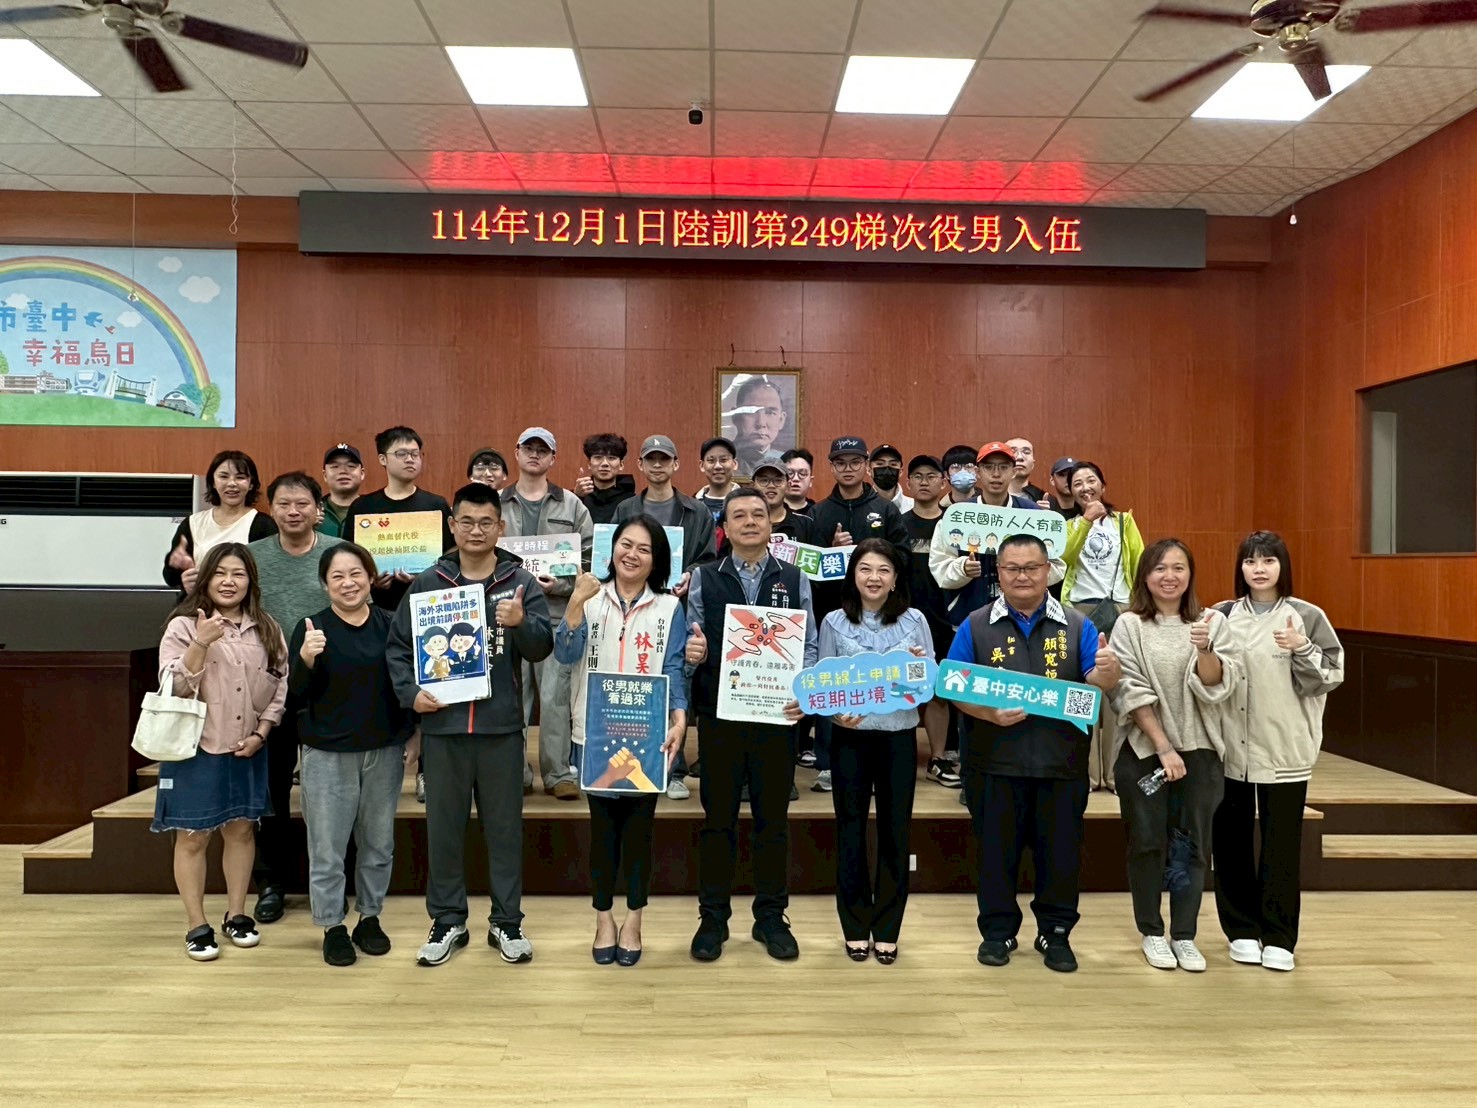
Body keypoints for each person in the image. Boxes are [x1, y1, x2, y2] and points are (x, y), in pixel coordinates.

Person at [386, 482, 553, 969]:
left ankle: (507, 922)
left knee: (504, 831)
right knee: (444, 831)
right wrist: (411, 695)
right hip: (444, 729)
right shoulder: (429, 582)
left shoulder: (519, 581)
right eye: (466, 522)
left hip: (501, 730)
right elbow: (399, 649)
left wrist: (521, 622)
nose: (476, 531)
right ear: (452, 525)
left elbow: (541, 648)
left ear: (501, 527)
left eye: (486, 523)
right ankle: (447, 920)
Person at [940, 533, 1122, 974]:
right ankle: (997, 933)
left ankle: (1055, 933)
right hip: (993, 763)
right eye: (1012, 568)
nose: (1022, 576)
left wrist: (1109, 674)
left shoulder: (1077, 625)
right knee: (995, 854)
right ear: (998, 573)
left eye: (1031, 568)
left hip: (1062, 764)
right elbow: (953, 687)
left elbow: (1095, 686)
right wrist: (989, 713)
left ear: (1049, 571)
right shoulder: (975, 624)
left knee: (1060, 856)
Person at [687, 488, 818, 963]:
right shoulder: (705, 577)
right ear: (724, 527)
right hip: (720, 715)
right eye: (738, 515)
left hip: (776, 717)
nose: (749, 522)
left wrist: (804, 690)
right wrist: (693, 653)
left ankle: (771, 916)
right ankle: (713, 918)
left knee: (772, 820)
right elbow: (690, 639)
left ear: (771, 523)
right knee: (717, 820)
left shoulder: (794, 577)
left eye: (757, 514)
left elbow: (809, 645)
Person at [786, 538, 932, 964]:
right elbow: (821, 684)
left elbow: (927, 680)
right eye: (865, 569)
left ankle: (887, 928)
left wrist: (916, 666)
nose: (874, 578)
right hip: (850, 738)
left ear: (896, 579)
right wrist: (834, 715)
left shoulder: (915, 621)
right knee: (849, 830)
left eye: (883, 570)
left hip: (898, 737)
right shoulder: (834, 622)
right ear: (853, 575)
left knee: (895, 831)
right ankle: (854, 925)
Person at [555, 518, 694, 966]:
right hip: (594, 732)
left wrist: (679, 719)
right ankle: (603, 919)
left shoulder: (669, 607)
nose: (632, 555)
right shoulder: (590, 597)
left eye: (644, 549)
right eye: (625, 545)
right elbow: (565, 653)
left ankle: (634, 920)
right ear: (611, 550)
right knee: (602, 834)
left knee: (639, 833)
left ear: (657, 560)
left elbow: (674, 668)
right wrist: (575, 602)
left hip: (647, 735)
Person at [1213, 531, 1344, 973]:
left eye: (1268, 560)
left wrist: (1301, 648)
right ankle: (1241, 930)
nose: (1259, 569)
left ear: (1283, 566)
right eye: (1251, 561)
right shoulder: (1221, 614)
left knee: (1281, 845)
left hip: (1286, 746)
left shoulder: (1306, 615)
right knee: (1230, 842)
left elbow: (1330, 676)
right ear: (1240, 568)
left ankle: (1280, 937)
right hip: (1229, 747)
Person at [151, 543, 287, 961]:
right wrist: (201, 643)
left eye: (238, 574)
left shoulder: (267, 627)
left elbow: (279, 682)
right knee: (192, 837)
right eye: (220, 573)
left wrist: (262, 732)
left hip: (247, 746)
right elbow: (174, 688)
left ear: (251, 581)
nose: (229, 582)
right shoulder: (183, 626)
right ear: (206, 579)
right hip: (195, 748)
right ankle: (196, 925)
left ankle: (237, 914)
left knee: (242, 832)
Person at [1109, 538, 1237, 973]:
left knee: (1193, 845)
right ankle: (1151, 931)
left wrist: (1205, 649)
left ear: (1190, 574)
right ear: (1145, 576)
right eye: (1160, 568)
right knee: (1147, 842)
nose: (1169, 576)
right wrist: (1163, 746)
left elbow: (1218, 686)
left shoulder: (1212, 621)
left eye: (1179, 568)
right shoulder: (1129, 624)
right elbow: (1127, 689)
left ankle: (1184, 935)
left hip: (1201, 750)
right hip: (1145, 751)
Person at [288, 543, 415, 967]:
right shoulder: (311, 628)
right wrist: (306, 659)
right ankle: (332, 926)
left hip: (384, 750)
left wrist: (412, 738)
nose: (348, 583)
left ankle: (369, 918)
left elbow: (404, 685)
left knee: (378, 845)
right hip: (327, 755)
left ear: (371, 577)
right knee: (327, 848)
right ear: (324, 584)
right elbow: (295, 696)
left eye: (356, 573)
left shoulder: (391, 624)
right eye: (337, 576)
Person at [246, 472, 342, 924]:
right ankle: (271, 883)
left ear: (318, 508)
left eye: (302, 503)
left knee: (333, 792)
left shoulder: (337, 553)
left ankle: (338, 882)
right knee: (272, 790)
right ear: (271, 508)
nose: (293, 511)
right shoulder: (252, 557)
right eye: (283, 504)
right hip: (269, 687)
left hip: (328, 687)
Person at [614, 434, 718, 799]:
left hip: (677, 608)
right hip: (630, 609)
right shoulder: (626, 509)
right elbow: (612, 554)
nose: (657, 465)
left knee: (676, 683)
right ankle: (628, 760)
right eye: (650, 459)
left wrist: (689, 573)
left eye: (664, 459)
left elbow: (709, 558)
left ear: (676, 464)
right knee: (633, 682)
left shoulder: (696, 511)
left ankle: (674, 770)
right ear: (640, 465)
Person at [806, 436, 909, 793]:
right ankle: (827, 762)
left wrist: (872, 557)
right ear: (831, 467)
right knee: (834, 682)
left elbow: (904, 558)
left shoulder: (885, 509)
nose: (847, 469)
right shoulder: (819, 513)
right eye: (840, 462)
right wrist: (833, 552)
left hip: (882, 616)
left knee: (877, 680)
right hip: (835, 614)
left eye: (854, 462)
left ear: (866, 465)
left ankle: (878, 761)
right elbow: (810, 568)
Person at [500, 427, 594, 801]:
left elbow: (591, 561)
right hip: (507, 614)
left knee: (555, 697)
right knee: (511, 697)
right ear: (517, 453)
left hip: (555, 616)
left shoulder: (572, 505)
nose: (535, 454)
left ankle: (557, 773)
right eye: (528, 448)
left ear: (553, 458)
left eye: (543, 450)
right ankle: (515, 773)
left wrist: (562, 585)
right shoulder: (498, 502)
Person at [1062, 461, 1145, 793]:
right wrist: (1085, 522)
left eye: (1091, 480)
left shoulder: (1124, 522)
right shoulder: (1070, 525)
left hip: (1120, 609)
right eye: (1077, 483)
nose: (1085, 487)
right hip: (1080, 610)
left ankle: (1111, 775)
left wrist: (1140, 609)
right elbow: (1063, 559)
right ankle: (1087, 774)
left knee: (1115, 690)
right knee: (1082, 690)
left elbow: (1139, 563)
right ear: (1071, 492)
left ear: (1103, 486)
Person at [345, 426, 454, 613]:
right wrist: (370, 580)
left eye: (415, 454)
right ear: (383, 459)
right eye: (401, 454)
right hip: (375, 609)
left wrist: (422, 578)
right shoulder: (363, 507)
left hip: (427, 605)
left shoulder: (436, 505)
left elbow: (450, 556)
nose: (410, 459)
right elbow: (349, 558)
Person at [901, 455, 960, 788]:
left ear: (943, 482)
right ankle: (899, 757)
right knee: (902, 690)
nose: (924, 482)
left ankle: (938, 758)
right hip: (903, 621)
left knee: (940, 691)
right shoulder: (898, 524)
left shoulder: (956, 524)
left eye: (931, 476)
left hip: (945, 620)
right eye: (918, 476)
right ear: (908, 483)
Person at [163, 450, 278, 595]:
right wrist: (178, 570)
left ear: (251, 484)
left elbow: (273, 577)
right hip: (198, 604)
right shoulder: (193, 523)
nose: (232, 483)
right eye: (224, 476)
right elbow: (170, 579)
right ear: (213, 482)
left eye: (240, 477)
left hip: (245, 606)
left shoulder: (263, 525)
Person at [728, 375, 790, 477]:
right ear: (736, 417)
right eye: (751, 412)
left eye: (770, 412)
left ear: (781, 420)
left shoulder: (786, 462)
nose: (761, 424)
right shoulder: (722, 462)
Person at [575, 432, 636, 524]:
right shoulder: (575, 497)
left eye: (611, 458)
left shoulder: (632, 501)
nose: (605, 463)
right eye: (598, 457)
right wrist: (577, 497)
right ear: (589, 464)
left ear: (621, 464)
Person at [317, 443, 366, 539]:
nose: (343, 471)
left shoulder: (374, 508)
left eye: (351, 466)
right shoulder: (314, 511)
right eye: (335, 466)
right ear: (325, 475)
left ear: (362, 474)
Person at [695, 436, 739, 525]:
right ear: (702, 465)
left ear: (734, 464)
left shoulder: (748, 500)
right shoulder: (693, 505)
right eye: (711, 460)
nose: (718, 466)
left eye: (724, 460)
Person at [869, 442, 914, 514]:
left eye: (893, 464)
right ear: (869, 470)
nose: (887, 469)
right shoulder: (860, 507)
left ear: (901, 471)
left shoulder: (914, 507)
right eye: (880, 464)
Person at [1006, 437, 1046, 503]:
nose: (1019, 457)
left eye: (1026, 452)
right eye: (1013, 452)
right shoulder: (987, 497)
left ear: (1033, 464)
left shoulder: (1045, 499)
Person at [782, 448, 815, 515]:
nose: (795, 479)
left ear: (811, 481)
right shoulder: (770, 511)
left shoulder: (818, 513)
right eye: (790, 473)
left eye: (802, 473)